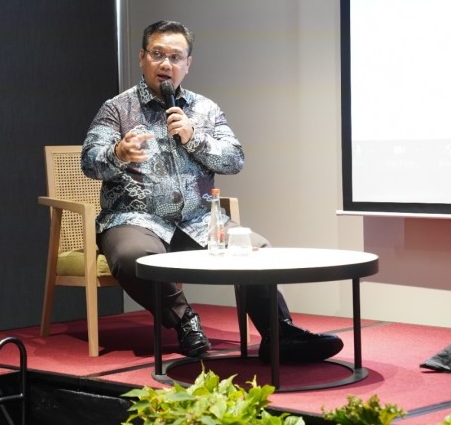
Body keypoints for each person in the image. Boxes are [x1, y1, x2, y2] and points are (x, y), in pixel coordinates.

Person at [81, 20, 343, 363]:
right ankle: (184, 321)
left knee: (256, 249)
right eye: (157, 54)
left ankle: (279, 334)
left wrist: (194, 137)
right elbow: (90, 162)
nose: (166, 64)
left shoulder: (205, 109)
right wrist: (118, 153)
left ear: (188, 64)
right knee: (134, 256)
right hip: (136, 219)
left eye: (175, 57)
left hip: (199, 221)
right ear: (142, 57)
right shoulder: (117, 108)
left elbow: (235, 160)